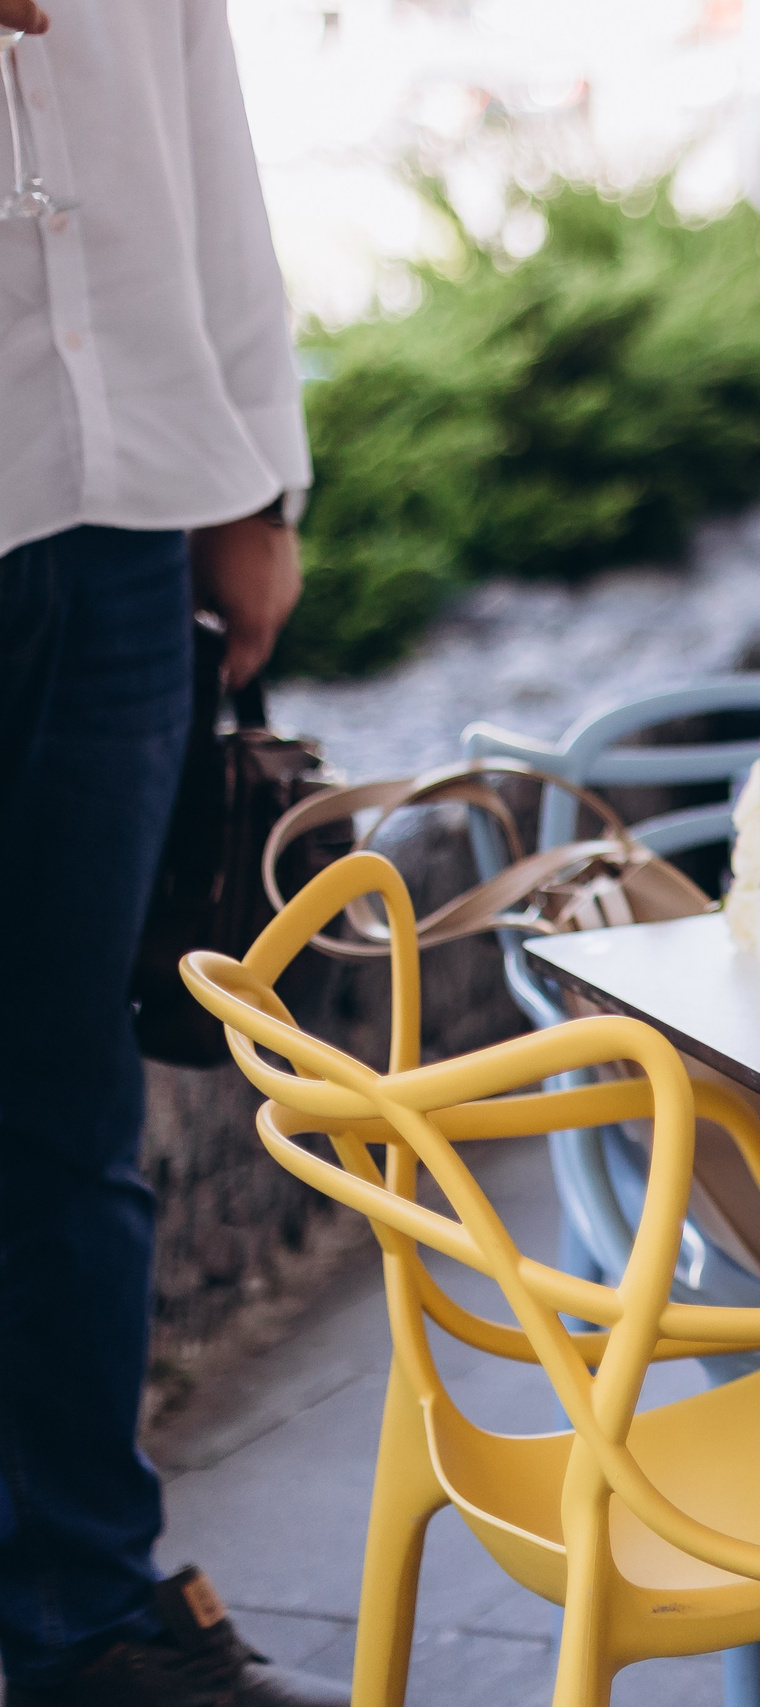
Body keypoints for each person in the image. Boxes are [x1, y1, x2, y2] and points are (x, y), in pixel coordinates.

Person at [0, 0, 343, 1702]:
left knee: (69, 1108)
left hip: (119, 511)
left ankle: (86, 1613)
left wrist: (256, 485)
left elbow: (204, 129)